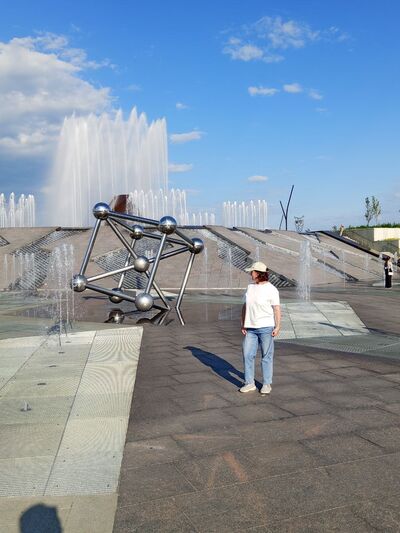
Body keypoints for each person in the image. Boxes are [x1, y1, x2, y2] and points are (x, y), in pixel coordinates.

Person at [240, 261, 281, 395]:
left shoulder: (271, 289)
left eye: (252, 272)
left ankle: (266, 383)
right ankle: (249, 383)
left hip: (266, 328)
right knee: (247, 355)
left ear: (258, 273)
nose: (250, 274)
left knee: (266, 356)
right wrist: (243, 323)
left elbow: (276, 309)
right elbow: (245, 306)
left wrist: (277, 326)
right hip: (251, 328)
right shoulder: (250, 287)